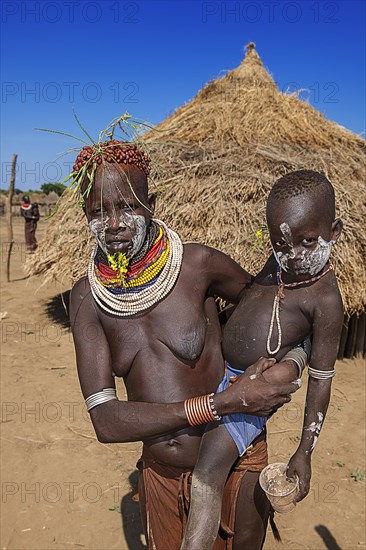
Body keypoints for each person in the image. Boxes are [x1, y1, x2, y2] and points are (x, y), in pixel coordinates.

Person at [69, 141, 305, 550]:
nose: (112, 223)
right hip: (161, 473)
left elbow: (267, 315)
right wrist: (222, 403)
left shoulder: (197, 266)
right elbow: (105, 421)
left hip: (234, 460)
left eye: (127, 206)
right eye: (97, 211)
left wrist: (279, 367)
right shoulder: (88, 299)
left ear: (151, 204)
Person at [182, 170, 344, 550]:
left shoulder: (325, 300)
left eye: (307, 241)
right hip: (217, 371)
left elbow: (322, 379)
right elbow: (253, 302)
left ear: (334, 231)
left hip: (250, 390)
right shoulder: (281, 267)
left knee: (207, 470)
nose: (293, 256)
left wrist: (304, 451)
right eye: (280, 244)